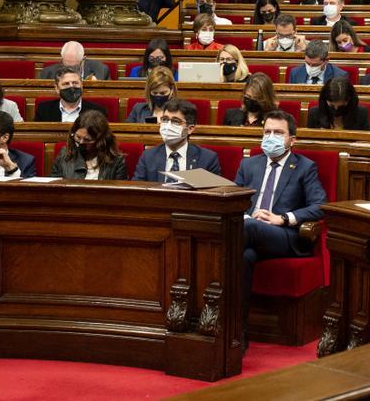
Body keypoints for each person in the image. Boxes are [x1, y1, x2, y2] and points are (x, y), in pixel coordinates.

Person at [236, 110, 327, 304]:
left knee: (248, 227)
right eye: (267, 132)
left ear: (292, 140)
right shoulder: (248, 165)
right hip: (249, 231)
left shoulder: (305, 167)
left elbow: (320, 205)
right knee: (246, 256)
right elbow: (234, 200)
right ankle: (236, 330)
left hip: (285, 235)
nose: (271, 137)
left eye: (278, 133)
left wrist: (282, 218)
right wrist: (244, 216)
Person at [134, 99, 221, 181]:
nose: (168, 126)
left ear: (190, 129)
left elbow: (214, 193)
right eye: (165, 119)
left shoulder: (207, 159)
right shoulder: (148, 156)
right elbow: (136, 190)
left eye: (175, 121)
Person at [51, 110, 127, 180]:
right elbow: (54, 188)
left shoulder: (116, 161)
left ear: (100, 140)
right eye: (78, 137)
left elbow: (120, 193)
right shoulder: (64, 154)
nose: (81, 142)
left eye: (87, 140)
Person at [34, 67, 105, 122]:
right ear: (57, 88)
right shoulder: (44, 109)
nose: (71, 87)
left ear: (82, 85)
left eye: (75, 83)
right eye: (66, 84)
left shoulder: (97, 111)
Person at [38, 41, 110, 81]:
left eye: (74, 66)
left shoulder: (101, 70)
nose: (70, 70)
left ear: (83, 59)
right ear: (61, 57)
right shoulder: (48, 73)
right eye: (66, 65)